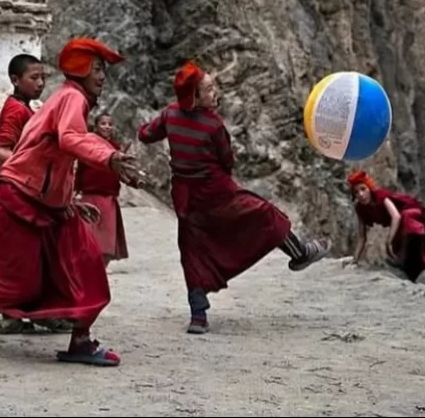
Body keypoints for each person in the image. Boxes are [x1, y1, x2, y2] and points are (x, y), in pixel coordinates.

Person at [0, 37, 140, 367]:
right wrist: (109, 157)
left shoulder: (65, 99)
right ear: (80, 70)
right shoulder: (71, 99)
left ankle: (80, 341)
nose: (103, 77)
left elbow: (56, 158)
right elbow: (70, 139)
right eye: (98, 69)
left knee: (86, 264)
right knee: (16, 278)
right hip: (22, 199)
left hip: (48, 206)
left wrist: (68, 202)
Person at [138, 61, 332, 335]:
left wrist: (148, 129)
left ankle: (198, 316)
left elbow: (146, 135)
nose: (215, 92)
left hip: (186, 200)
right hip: (217, 193)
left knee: (192, 251)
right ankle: (300, 253)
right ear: (195, 96)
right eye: (209, 89)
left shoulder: (170, 115)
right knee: (264, 213)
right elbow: (226, 161)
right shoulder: (213, 125)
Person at [0, 53, 71, 335]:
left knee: (38, 256)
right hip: (21, 195)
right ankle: (11, 314)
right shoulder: (15, 110)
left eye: (43, 77)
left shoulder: (26, 109)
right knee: (23, 258)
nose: (40, 83)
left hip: (32, 194)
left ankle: (41, 312)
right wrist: (26, 178)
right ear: (15, 80)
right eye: (33, 78)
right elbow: (2, 150)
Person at [346, 170, 425, 282]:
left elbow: (396, 216)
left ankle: (407, 261)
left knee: (408, 222)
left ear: (369, 188)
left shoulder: (380, 196)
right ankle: (408, 266)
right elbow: (362, 237)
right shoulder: (360, 209)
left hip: (410, 213)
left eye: (363, 189)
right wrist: (355, 259)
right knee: (401, 243)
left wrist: (389, 241)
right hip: (400, 222)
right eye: (356, 192)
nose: (361, 195)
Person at [75, 112, 142, 266]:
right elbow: (80, 170)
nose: (107, 127)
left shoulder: (116, 149)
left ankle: (101, 268)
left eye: (110, 124)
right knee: (88, 239)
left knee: (105, 242)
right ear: (96, 126)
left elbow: (122, 172)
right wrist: (75, 190)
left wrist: (134, 181)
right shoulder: (87, 144)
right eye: (103, 124)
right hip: (89, 196)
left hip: (108, 198)